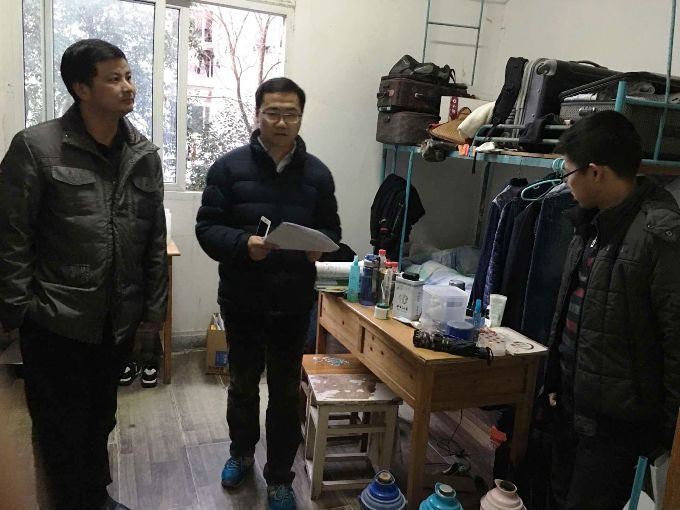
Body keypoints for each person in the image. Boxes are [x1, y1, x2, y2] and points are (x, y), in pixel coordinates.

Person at [0, 39, 168, 510]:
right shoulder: (36, 148)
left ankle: (95, 498)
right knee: (59, 428)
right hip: (55, 319)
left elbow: (154, 239)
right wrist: (19, 310)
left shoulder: (143, 154)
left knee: (100, 418)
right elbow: (10, 236)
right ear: (81, 88)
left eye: (129, 76)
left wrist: (153, 309)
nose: (128, 86)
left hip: (115, 321)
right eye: (114, 78)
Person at [195, 77, 341, 510]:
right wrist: (245, 244)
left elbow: (332, 230)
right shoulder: (228, 168)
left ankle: (279, 477)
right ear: (258, 114)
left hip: (293, 303)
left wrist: (322, 246)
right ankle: (240, 454)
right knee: (242, 385)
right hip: (242, 299)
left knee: (284, 393)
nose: (281, 122)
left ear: (301, 117)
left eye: (290, 114)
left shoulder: (318, 175)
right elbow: (207, 229)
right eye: (272, 113)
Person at [544, 110, 680, 510]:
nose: (566, 183)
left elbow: (676, 339)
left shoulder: (659, 235)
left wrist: (666, 433)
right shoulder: (591, 222)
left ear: (596, 172)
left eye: (568, 173)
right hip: (570, 401)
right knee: (557, 495)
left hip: (614, 422)